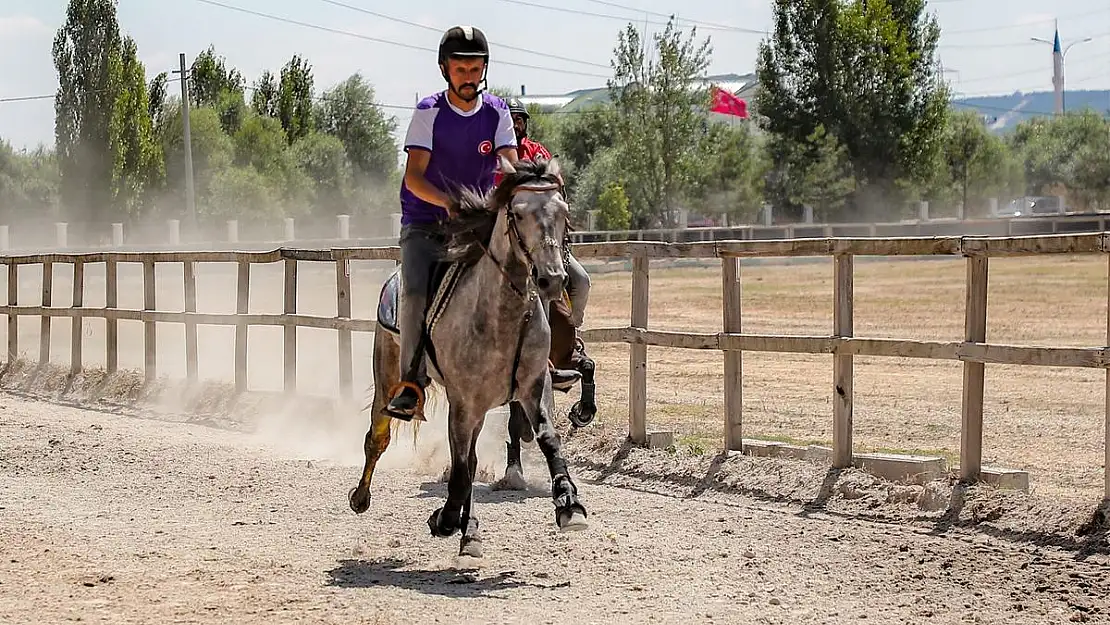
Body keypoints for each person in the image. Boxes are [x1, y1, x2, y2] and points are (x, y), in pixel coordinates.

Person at [385, 25, 519, 420]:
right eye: (460, 69)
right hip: (426, 223)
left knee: (522, 274)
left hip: (475, 225)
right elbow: (414, 178)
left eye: (475, 69)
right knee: (413, 294)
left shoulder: (497, 111)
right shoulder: (429, 111)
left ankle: (539, 362)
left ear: (484, 69)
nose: (469, 77)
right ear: (446, 70)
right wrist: (450, 204)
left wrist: (522, 185)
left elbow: (509, 164)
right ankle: (411, 380)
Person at [502, 97, 592, 390]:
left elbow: (557, 186)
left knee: (581, 280)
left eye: (520, 119)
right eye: (511, 119)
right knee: (535, 293)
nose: (516, 124)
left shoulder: (537, 151)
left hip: (546, 241)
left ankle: (571, 341)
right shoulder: (498, 154)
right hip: (513, 241)